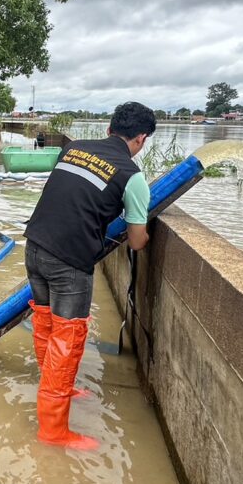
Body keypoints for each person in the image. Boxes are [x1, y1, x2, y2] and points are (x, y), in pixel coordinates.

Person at [23, 101, 156, 450]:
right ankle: (53, 430)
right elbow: (139, 241)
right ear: (141, 139)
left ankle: (58, 388)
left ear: (110, 129)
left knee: (46, 325)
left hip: (34, 246)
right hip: (69, 262)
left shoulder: (74, 149)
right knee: (66, 342)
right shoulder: (132, 176)